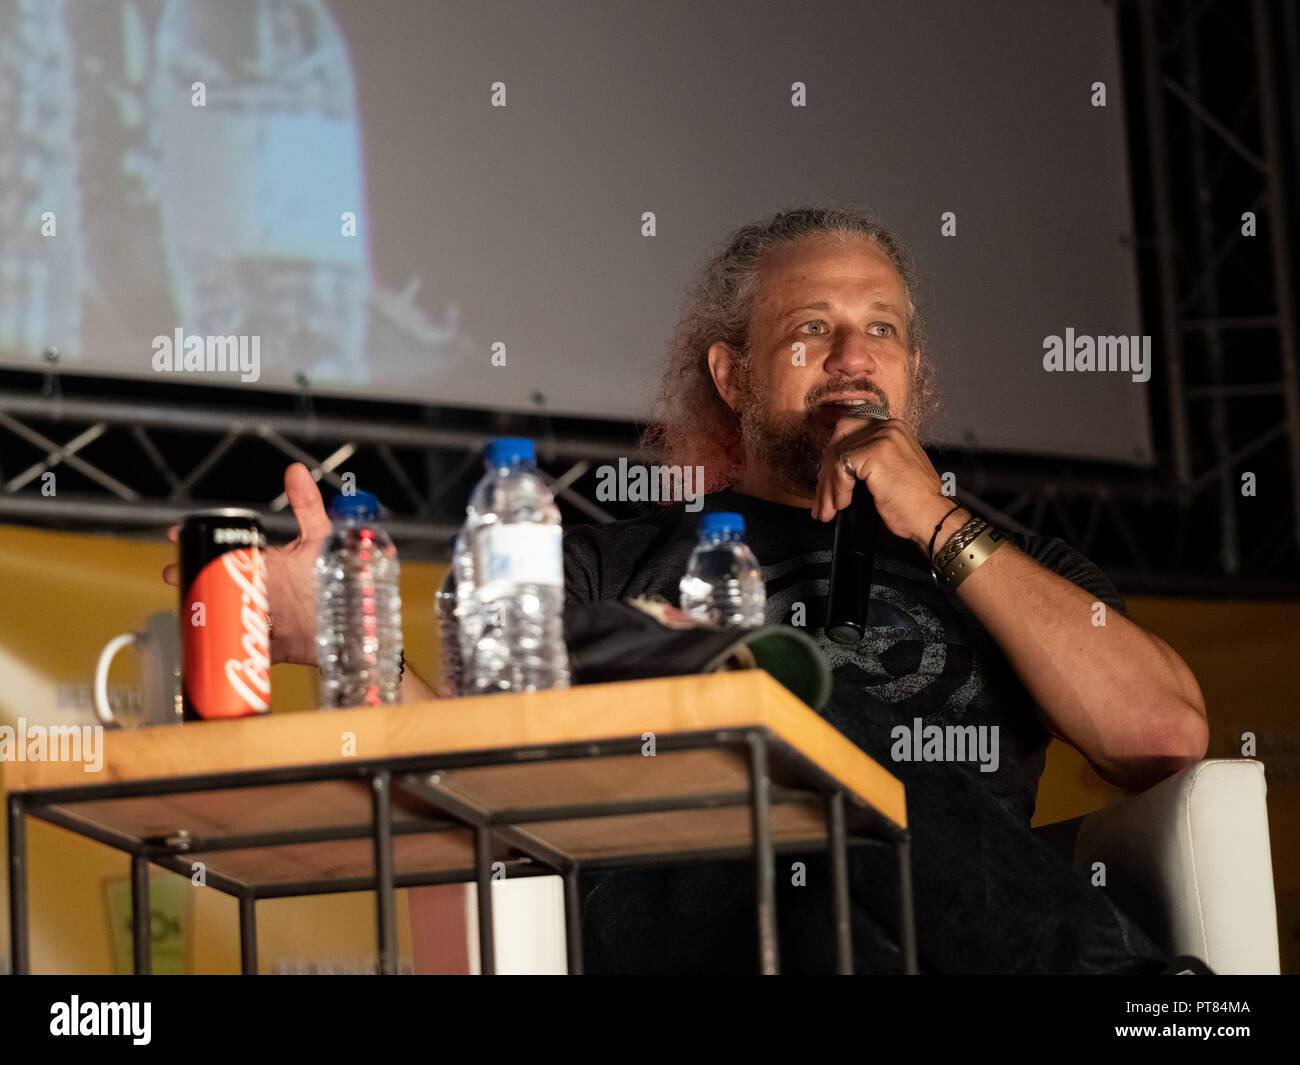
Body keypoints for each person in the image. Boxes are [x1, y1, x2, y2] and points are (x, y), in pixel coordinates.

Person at [163, 206, 1208, 974]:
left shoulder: (1002, 562)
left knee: (829, 874)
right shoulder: (599, 564)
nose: (852, 357)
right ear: (733, 377)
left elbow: (1162, 734)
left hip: (939, 938)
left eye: (881, 330)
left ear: (915, 372)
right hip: (683, 916)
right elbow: (480, 781)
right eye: (810, 331)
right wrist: (348, 642)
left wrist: (937, 522)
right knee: (776, 708)